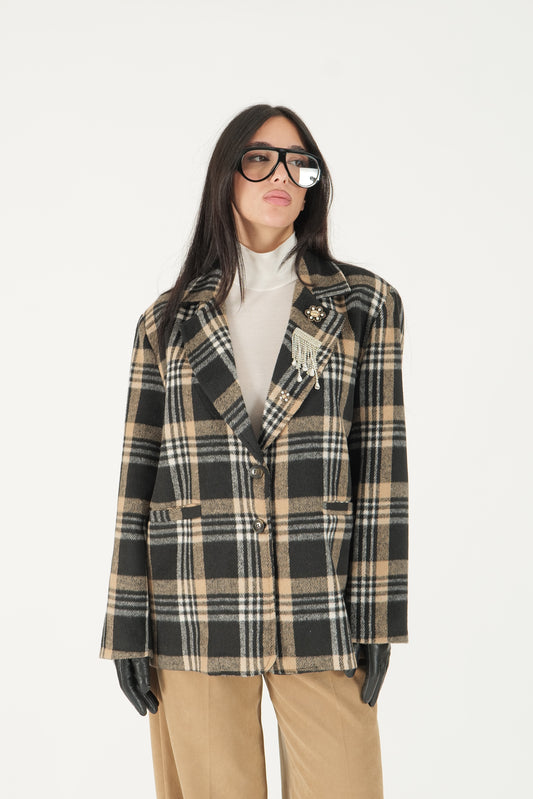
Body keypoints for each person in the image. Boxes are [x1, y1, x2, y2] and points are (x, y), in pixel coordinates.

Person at [100, 103, 409, 799]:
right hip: (193, 603)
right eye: (260, 158)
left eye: (299, 163)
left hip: (319, 601)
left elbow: (382, 467)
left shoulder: (363, 304)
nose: (282, 175)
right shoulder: (167, 320)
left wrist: (379, 614)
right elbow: (137, 477)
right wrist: (127, 625)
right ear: (227, 175)